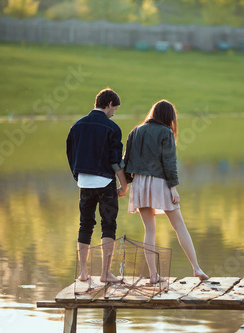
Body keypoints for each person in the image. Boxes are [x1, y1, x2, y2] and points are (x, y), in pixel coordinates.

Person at [124, 100, 208, 282]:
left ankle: (154, 275)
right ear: (169, 117)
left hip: (139, 182)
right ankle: (196, 268)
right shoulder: (166, 132)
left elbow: (126, 160)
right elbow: (169, 162)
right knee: (179, 225)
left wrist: (127, 183)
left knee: (149, 229)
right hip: (159, 181)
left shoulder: (135, 131)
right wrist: (173, 188)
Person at [66, 88, 128, 282]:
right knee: (108, 225)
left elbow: (71, 155)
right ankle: (105, 274)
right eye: (114, 109)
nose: (113, 113)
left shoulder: (76, 126)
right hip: (105, 182)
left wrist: (79, 176)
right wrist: (124, 184)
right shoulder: (112, 128)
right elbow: (115, 161)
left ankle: (83, 273)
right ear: (109, 104)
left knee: (85, 225)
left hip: (84, 182)